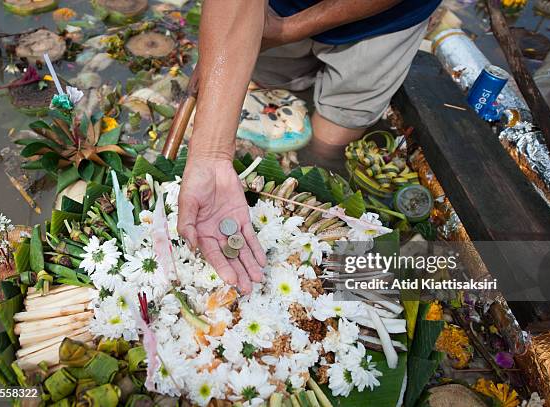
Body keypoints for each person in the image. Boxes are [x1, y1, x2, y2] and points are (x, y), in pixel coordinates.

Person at [177, 0, 441, 294]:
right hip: (276, 7)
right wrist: (210, 156)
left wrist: (289, 30)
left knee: (328, 148)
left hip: (384, 20)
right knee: (272, 101)